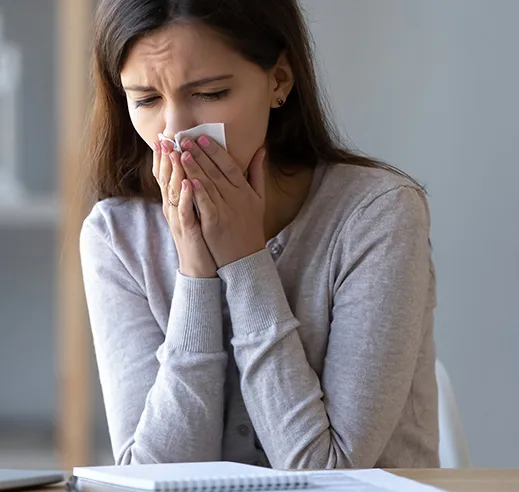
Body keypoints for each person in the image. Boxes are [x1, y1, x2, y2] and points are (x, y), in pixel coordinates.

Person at [79, 0, 439, 470]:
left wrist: (245, 260)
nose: (176, 132)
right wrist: (195, 272)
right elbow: (153, 476)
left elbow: (327, 474)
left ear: (279, 80)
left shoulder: (377, 216)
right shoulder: (117, 236)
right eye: (146, 100)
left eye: (209, 93)